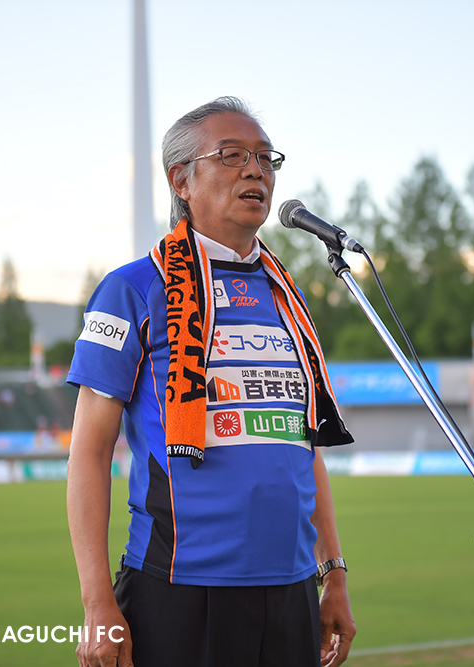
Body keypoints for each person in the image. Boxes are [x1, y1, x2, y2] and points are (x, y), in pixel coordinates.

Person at [66, 96, 357, 667]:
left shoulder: (288, 296)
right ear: (181, 180)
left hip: (294, 588)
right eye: (232, 155)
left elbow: (304, 447)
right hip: (179, 588)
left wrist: (335, 575)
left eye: (265, 158)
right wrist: (97, 602)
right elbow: (89, 452)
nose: (255, 170)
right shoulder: (133, 289)